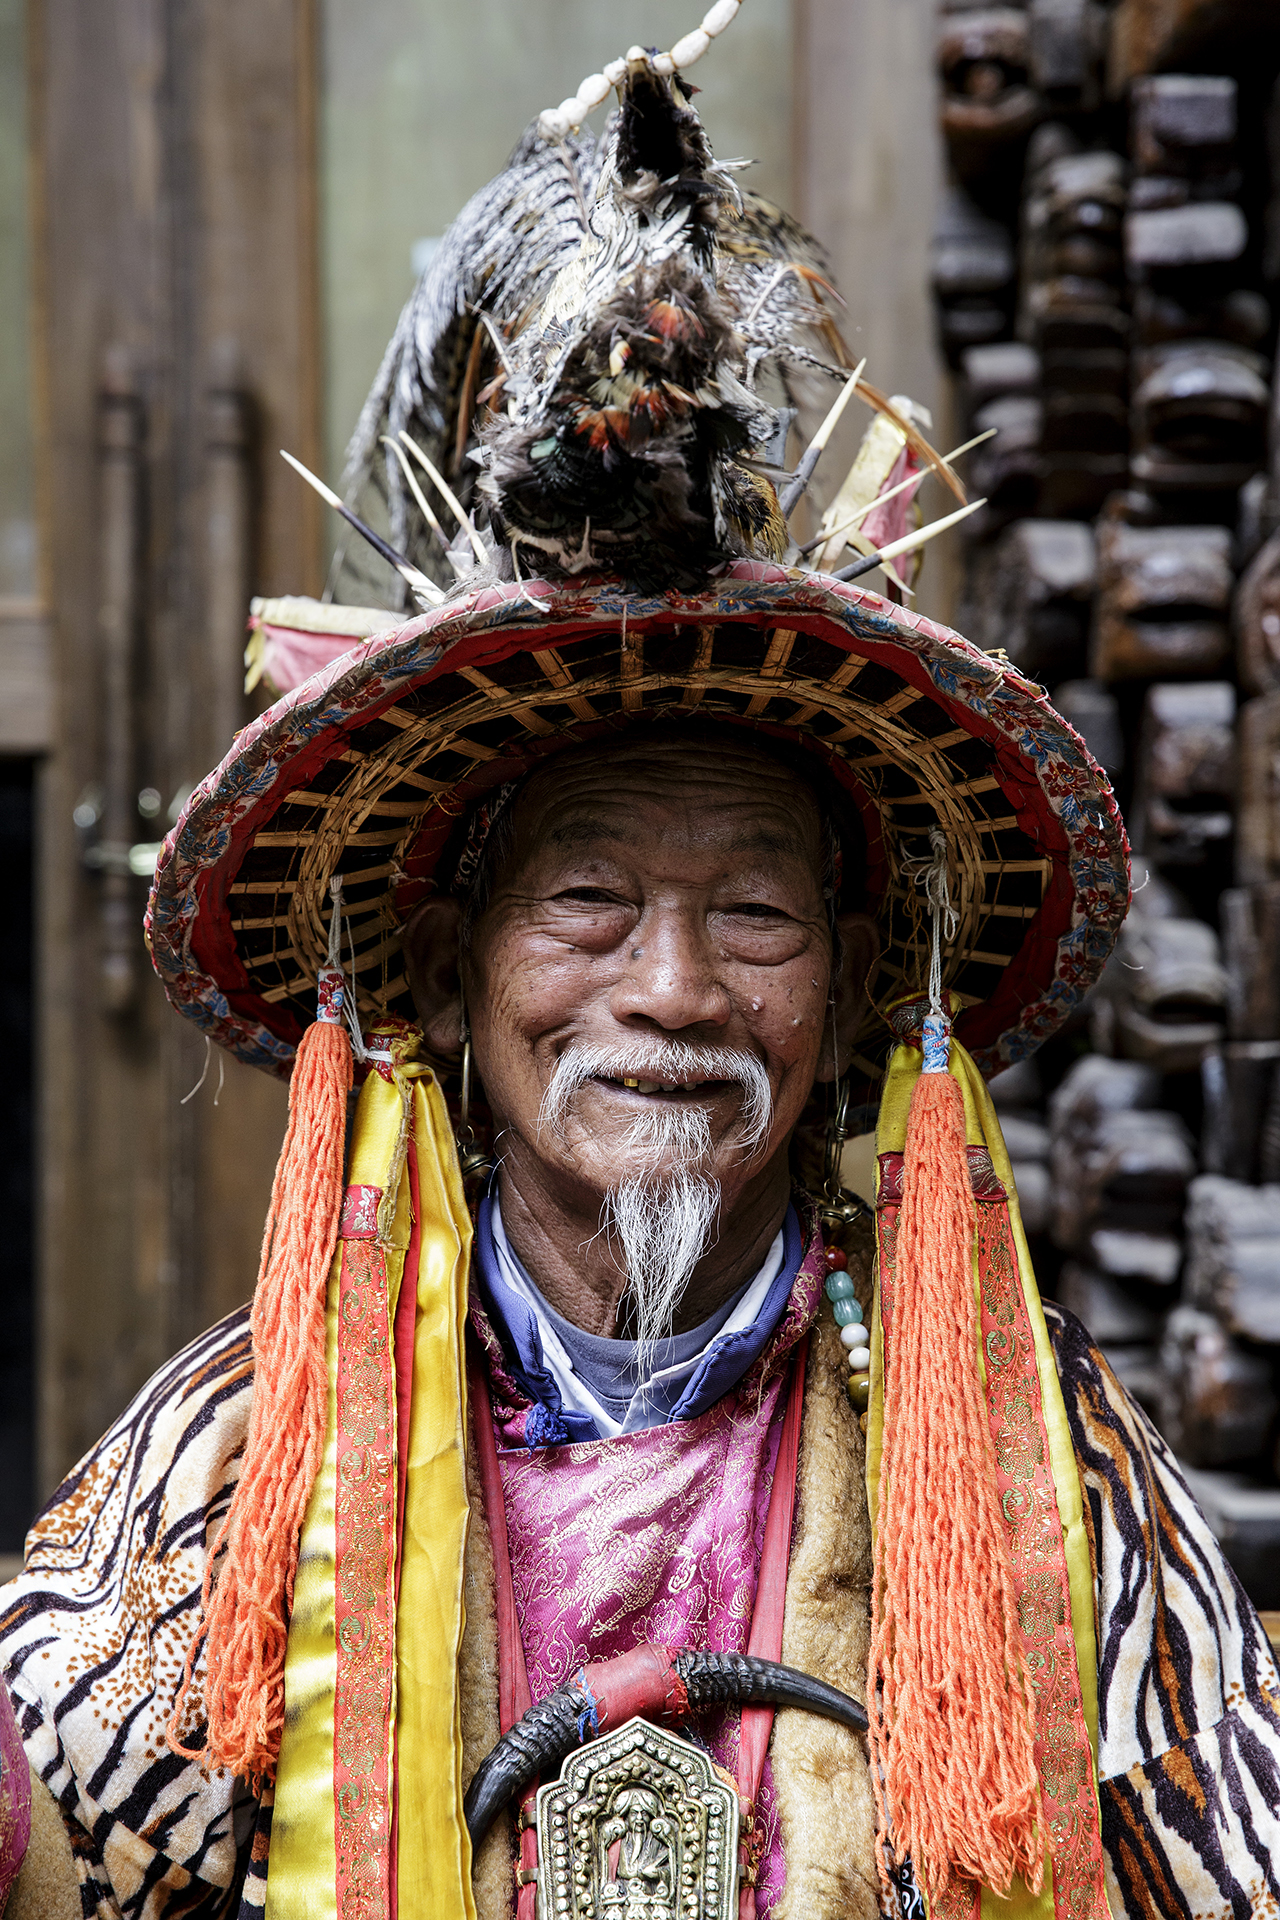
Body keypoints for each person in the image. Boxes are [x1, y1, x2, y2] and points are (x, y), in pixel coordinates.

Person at [1, 46, 1277, 1920]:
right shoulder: (249, 1462)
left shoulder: (1021, 1463)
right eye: (587, 900)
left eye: (755, 916)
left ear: (854, 991)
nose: (673, 988)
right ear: (445, 968)